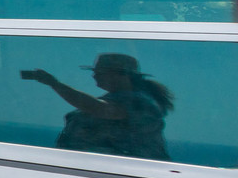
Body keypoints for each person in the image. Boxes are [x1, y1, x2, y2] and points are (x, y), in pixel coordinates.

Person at [23, 53, 172, 160]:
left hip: (129, 173)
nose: (94, 76)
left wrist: (54, 84)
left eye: (100, 72)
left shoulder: (140, 102)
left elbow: (101, 109)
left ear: (121, 75)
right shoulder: (122, 97)